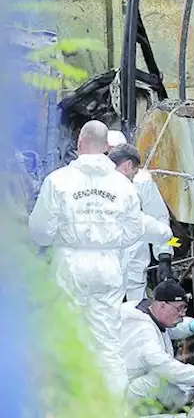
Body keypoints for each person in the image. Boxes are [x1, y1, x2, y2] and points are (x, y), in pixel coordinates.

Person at [27, 120, 173, 396]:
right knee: (108, 344)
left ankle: (70, 404)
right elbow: (138, 229)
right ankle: (112, 411)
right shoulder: (123, 184)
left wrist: (65, 235)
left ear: (80, 142)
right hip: (111, 267)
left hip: (70, 265)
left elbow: (40, 232)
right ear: (107, 148)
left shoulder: (58, 180)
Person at [120, 279, 194, 413]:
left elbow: (166, 327)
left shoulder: (146, 310)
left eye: (184, 308)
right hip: (122, 395)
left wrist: (190, 326)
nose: (182, 314)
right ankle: (187, 406)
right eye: (179, 308)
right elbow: (164, 366)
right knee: (159, 380)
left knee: (176, 380)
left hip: (129, 383)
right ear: (163, 306)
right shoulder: (142, 330)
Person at [108, 142, 174, 300]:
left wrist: (165, 255)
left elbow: (160, 218)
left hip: (134, 268)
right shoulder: (97, 182)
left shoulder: (142, 182)